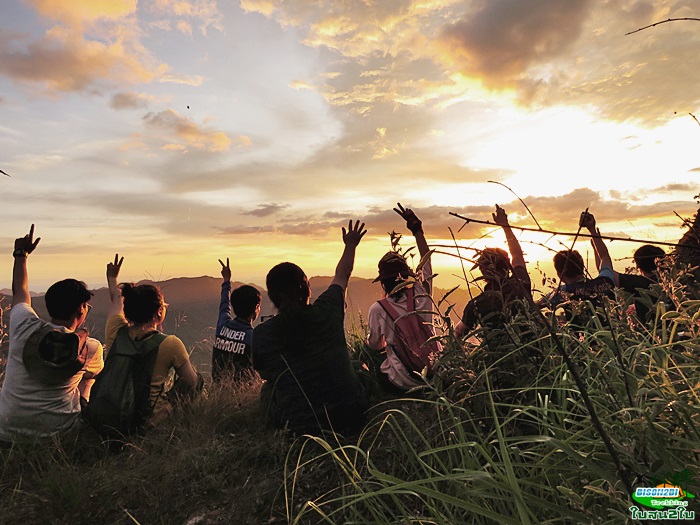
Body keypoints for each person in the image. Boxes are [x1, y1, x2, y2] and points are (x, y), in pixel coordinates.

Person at [252, 220, 370, 435]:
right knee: (357, 367)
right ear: (308, 290)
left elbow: (266, 373)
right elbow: (343, 275)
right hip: (352, 418)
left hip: (299, 428)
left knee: (268, 389)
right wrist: (350, 245)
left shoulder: (262, 333)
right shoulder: (328, 310)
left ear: (272, 297)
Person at [0, 225, 103, 442]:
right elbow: (93, 376)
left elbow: (21, 291)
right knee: (87, 381)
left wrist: (21, 255)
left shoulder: (22, 324)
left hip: (6, 430)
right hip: (58, 436)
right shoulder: (90, 348)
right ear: (81, 308)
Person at [104, 254, 201, 420]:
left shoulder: (115, 329)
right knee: (198, 380)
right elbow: (190, 382)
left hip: (110, 414)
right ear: (159, 312)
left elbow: (117, 301)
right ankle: (169, 413)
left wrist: (112, 278)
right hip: (147, 422)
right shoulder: (170, 343)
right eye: (163, 305)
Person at [367, 203, 440, 391]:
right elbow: (426, 259)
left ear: (383, 281)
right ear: (406, 274)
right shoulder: (421, 291)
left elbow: (375, 345)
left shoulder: (378, 309)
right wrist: (416, 228)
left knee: (374, 371)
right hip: (436, 374)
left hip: (403, 381)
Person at [454, 205, 532, 339]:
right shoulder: (521, 283)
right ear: (508, 266)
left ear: (483, 271)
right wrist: (505, 225)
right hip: (535, 356)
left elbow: (459, 332)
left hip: (498, 358)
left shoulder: (477, 305)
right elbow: (517, 253)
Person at [540, 211, 615, 311]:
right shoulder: (605, 281)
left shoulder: (564, 292)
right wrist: (592, 230)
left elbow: (536, 305)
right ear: (582, 267)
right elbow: (604, 257)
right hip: (614, 326)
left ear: (560, 274)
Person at [212, 257, 261, 381]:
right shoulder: (253, 337)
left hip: (218, 391)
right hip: (242, 396)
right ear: (256, 307)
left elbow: (224, 302)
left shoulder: (222, 324)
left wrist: (226, 279)